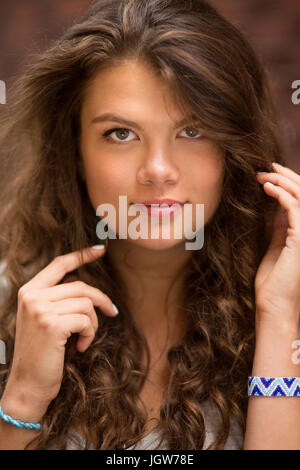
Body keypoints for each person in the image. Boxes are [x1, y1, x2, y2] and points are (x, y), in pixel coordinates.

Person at [0, 0, 299, 451]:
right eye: (121, 134)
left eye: (193, 131)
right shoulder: (10, 302)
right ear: (76, 151)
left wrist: (278, 321)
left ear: (233, 147)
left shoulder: (290, 302)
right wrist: (22, 396)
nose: (158, 170)